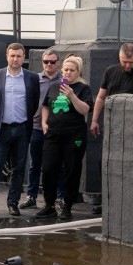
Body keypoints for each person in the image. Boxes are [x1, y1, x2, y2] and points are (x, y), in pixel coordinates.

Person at [88, 42, 133, 215]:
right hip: (111, 125)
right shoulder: (111, 71)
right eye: (124, 61)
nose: (127, 65)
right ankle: (105, 199)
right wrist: (94, 119)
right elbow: (101, 97)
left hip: (132, 128)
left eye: (130, 62)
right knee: (104, 161)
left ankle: (125, 200)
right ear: (119, 58)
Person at [0, 42, 39, 218]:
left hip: (21, 129)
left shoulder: (32, 78)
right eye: (12, 55)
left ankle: (13, 203)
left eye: (18, 56)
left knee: (18, 169)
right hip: (1, 129)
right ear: (7, 56)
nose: (15, 59)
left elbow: (33, 103)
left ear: (23, 57)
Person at [34, 56, 93, 221]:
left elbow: (85, 109)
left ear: (78, 72)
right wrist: (44, 122)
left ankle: (67, 206)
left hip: (74, 136)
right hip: (53, 134)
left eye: (72, 70)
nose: (68, 72)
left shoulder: (83, 88)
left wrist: (72, 96)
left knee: (72, 170)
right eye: (66, 70)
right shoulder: (54, 87)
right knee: (48, 169)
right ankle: (49, 205)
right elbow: (46, 105)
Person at [20, 48, 62, 209]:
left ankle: (60, 196)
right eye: (46, 61)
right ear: (42, 62)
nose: (49, 64)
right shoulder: (34, 79)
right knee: (34, 163)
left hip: (56, 128)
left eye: (52, 61)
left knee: (58, 164)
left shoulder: (63, 80)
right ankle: (31, 196)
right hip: (36, 126)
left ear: (58, 62)